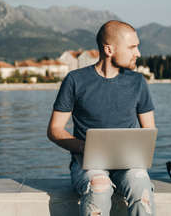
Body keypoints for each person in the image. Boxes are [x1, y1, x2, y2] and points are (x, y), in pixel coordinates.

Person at [47, 20, 156, 216]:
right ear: (109, 49)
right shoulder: (75, 80)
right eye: (132, 47)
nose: (138, 53)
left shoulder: (138, 82)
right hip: (88, 163)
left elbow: (149, 131)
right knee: (100, 188)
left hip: (129, 164)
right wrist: (84, 147)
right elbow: (55, 129)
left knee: (142, 189)